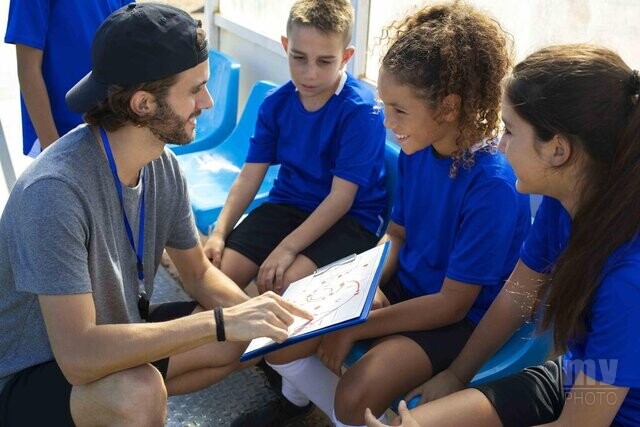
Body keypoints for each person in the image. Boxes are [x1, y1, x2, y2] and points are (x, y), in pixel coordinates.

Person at [0, 4, 311, 426]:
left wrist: (266, 317)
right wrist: (220, 322)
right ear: (144, 103)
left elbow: (199, 274)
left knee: (236, 341)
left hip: (110, 335)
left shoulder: (162, 166)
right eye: (196, 90)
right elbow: (77, 357)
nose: (208, 102)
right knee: (139, 391)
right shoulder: (53, 191)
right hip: (30, 375)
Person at [233, 3, 532, 426]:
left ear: (448, 108)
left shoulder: (492, 185)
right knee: (278, 341)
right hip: (403, 288)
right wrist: (366, 285)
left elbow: (451, 305)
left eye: (399, 110)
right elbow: (396, 234)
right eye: (384, 106)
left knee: (354, 395)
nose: (388, 123)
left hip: (458, 320)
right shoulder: (417, 149)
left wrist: (355, 326)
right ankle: (299, 407)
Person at [365, 44, 640, 427]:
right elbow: (516, 297)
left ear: (558, 150)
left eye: (509, 131)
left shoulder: (628, 282)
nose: (500, 144)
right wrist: (456, 375)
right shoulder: (562, 203)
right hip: (570, 378)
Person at [203, 0, 387, 299]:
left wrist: (286, 248)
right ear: (286, 46)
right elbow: (249, 176)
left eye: (324, 62)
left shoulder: (361, 111)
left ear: (346, 57)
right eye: (299, 57)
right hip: (286, 206)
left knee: (284, 284)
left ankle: (248, 325)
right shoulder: (276, 103)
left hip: (350, 221)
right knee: (218, 277)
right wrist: (220, 233)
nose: (309, 73)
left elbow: (341, 199)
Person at [4, 0, 133, 156]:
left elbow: (129, 45)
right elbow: (28, 69)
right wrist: (53, 151)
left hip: (115, 128)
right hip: (63, 135)